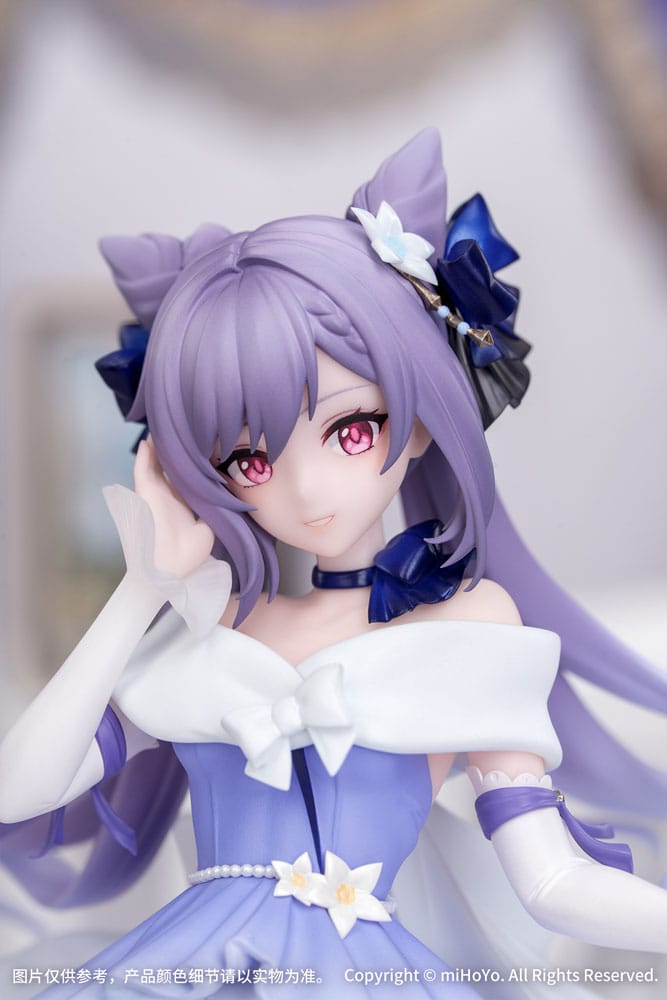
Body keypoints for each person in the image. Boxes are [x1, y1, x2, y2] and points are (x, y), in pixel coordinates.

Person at [1, 129, 666, 999]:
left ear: (418, 421)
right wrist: (142, 590)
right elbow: (20, 791)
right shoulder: (208, 632)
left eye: (351, 430)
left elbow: (550, 884)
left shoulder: (469, 632)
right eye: (249, 459)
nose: (307, 488)